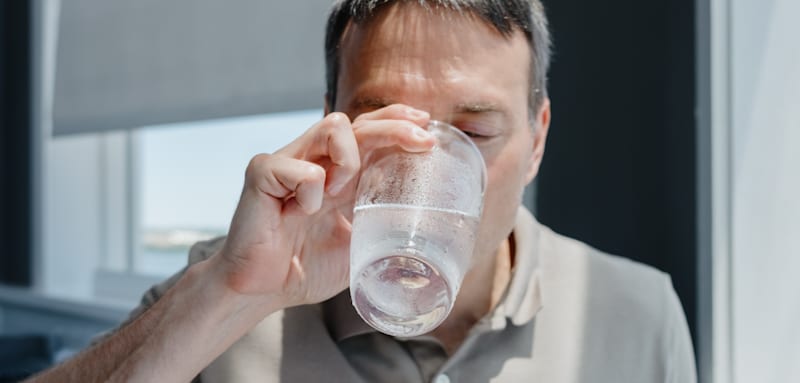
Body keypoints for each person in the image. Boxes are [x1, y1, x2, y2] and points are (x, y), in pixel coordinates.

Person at [28, 0, 697, 382]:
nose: (422, 168)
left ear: (538, 137)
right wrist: (226, 299)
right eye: (386, 126)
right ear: (332, 121)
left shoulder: (634, 314)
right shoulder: (224, 283)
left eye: (474, 129)